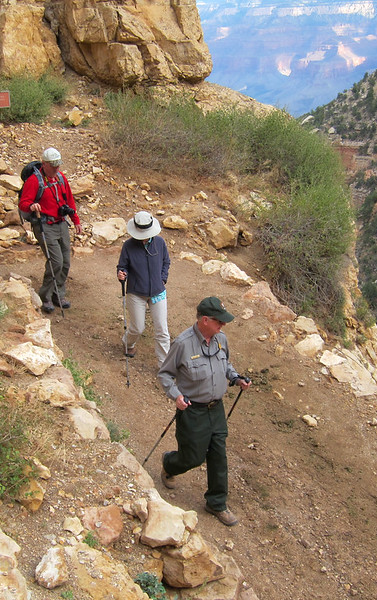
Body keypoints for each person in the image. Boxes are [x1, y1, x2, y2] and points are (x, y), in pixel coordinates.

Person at [157, 296, 252, 526]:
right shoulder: (182, 343)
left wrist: (236, 378)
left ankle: (216, 503)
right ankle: (170, 464)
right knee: (193, 457)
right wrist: (176, 396)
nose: (223, 326)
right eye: (219, 322)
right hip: (193, 412)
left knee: (219, 455)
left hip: (216, 409)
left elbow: (225, 364)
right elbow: (165, 374)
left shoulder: (221, 339)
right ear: (205, 320)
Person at [18, 147, 82, 313]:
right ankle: (45, 296)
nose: (56, 169)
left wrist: (76, 220)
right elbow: (23, 203)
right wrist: (32, 205)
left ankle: (58, 293)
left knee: (65, 262)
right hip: (44, 225)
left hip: (61, 223)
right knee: (56, 261)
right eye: (53, 166)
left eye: (58, 165)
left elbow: (69, 200)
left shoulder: (60, 178)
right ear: (44, 164)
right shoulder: (34, 181)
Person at [116, 211, 171, 364]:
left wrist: (162, 279)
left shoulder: (160, 242)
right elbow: (123, 266)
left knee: (162, 331)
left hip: (158, 292)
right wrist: (122, 274)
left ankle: (164, 366)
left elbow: (166, 262)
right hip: (136, 293)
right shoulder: (128, 246)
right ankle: (128, 343)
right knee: (137, 328)